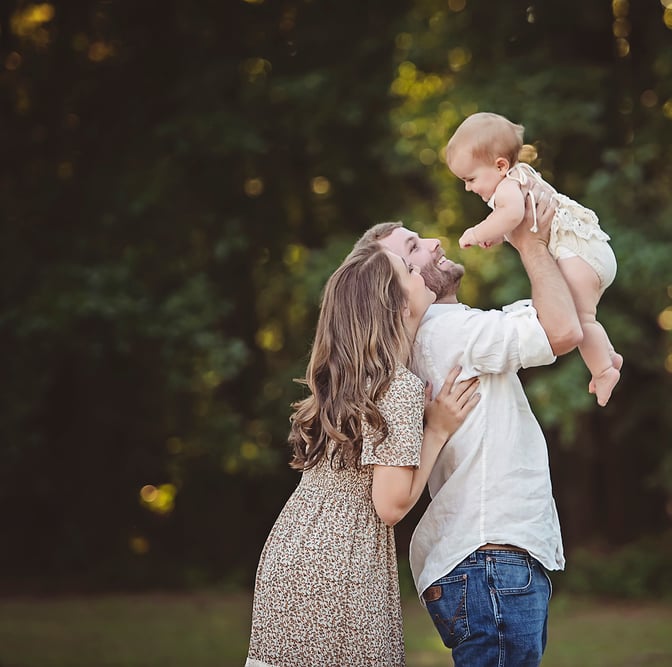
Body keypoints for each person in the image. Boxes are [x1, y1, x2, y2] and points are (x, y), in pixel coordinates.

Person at [356, 188, 583, 666]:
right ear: (400, 285)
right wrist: (529, 242)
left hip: (482, 563)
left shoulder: (444, 334)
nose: (435, 242)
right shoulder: (448, 332)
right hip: (491, 560)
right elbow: (561, 330)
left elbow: (547, 316)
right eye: (413, 249)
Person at [245, 243, 481, 667]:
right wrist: (438, 431)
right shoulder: (397, 387)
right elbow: (390, 505)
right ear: (395, 306)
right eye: (409, 269)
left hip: (292, 554)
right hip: (341, 562)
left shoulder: (350, 379)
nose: (420, 271)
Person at [447, 111, 622, 406]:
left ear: (500, 165)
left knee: (581, 320)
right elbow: (519, 222)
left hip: (578, 256)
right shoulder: (521, 175)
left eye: (471, 178)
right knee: (588, 318)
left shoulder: (506, 189)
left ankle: (603, 371)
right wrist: (498, 234)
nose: (468, 187)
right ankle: (608, 355)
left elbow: (513, 214)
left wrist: (477, 233)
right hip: (592, 251)